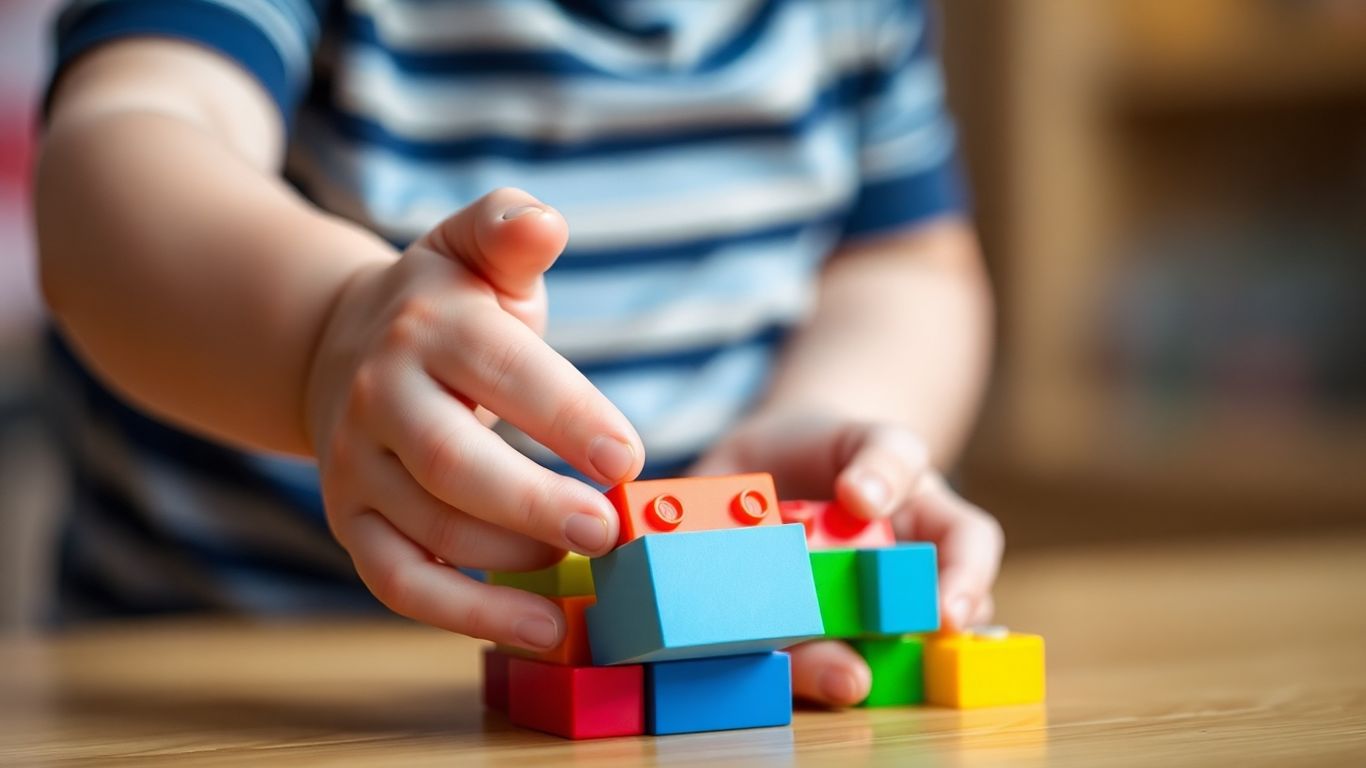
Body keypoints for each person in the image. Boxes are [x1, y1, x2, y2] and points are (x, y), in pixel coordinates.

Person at [35, 0, 1001, 707]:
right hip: (224, 675)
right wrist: (325, 336)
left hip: (676, 665)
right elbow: (120, 155)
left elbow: (905, 266)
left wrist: (838, 426)